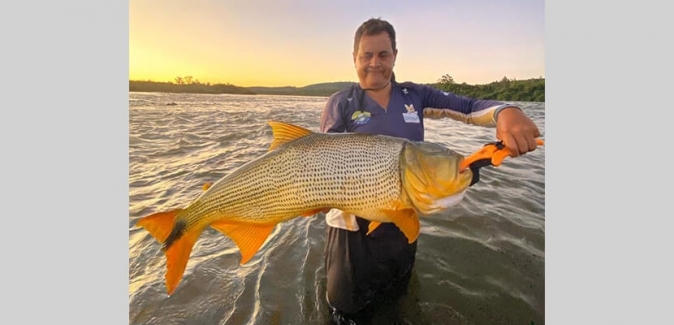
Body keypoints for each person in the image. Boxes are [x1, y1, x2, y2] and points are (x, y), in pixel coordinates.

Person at [319, 17, 541, 324]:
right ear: (354, 58)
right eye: (366, 55)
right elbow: (325, 163)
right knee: (346, 312)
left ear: (395, 55)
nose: (374, 63)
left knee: (396, 301)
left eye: (383, 54)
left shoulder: (414, 96)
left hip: (403, 223)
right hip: (351, 233)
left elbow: (469, 106)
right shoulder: (340, 102)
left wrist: (507, 112)